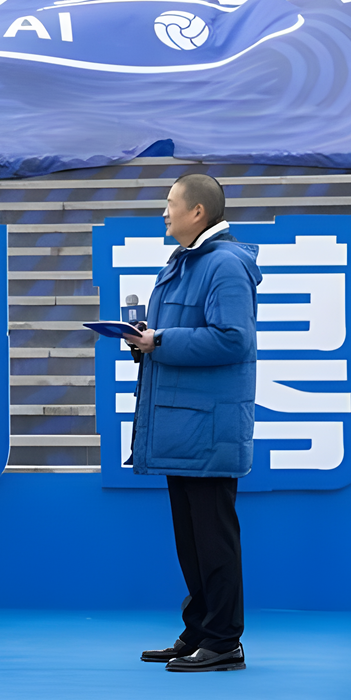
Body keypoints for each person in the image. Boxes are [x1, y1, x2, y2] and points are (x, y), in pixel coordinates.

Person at [124, 173, 261, 673]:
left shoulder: (224, 265)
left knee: (213, 539)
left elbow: (233, 339)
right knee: (191, 540)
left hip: (208, 429)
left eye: (170, 203)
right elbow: (179, 335)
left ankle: (224, 640)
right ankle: (200, 630)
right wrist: (145, 340)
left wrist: (159, 341)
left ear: (197, 211)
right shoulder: (184, 262)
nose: (164, 212)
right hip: (183, 427)